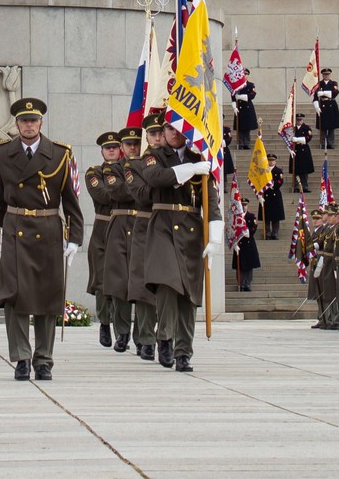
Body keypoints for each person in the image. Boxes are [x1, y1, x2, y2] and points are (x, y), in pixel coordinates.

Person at [0, 97, 83, 381]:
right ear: (16, 124)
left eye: (33, 120)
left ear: (41, 123)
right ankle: (21, 357)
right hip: (16, 226)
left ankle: (43, 359)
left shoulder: (60, 153)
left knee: (46, 296)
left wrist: (75, 239)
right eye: (23, 121)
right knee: (13, 296)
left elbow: (71, 200)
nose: (29, 125)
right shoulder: (3, 153)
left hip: (48, 229)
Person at [135, 114, 221, 371]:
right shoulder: (154, 155)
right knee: (167, 282)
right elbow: (154, 177)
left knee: (189, 294)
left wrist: (215, 233)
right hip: (162, 225)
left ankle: (183, 352)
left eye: (178, 128)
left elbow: (211, 199)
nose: (174, 133)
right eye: (169, 128)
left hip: (191, 229)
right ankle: (165, 336)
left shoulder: (200, 158)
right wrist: (188, 171)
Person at [85, 132, 123, 346]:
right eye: (107, 147)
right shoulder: (94, 172)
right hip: (103, 227)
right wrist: (123, 192)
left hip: (124, 228)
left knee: (121, 280)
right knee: (101, 281)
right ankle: (104, 323)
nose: (111, 150)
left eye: (115, 147)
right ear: (101, 151)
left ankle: (122, 329)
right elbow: (101, 194)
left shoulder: (128, 171)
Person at [313, 71, 339, 151]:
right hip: (322, 105)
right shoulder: (319, 84)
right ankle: (323, 142)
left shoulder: (333, 83)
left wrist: (324, 93)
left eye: (327, 74)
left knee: (331, 126)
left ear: (329, 75)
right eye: (324, 74)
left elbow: (335, 92)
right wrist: (317, 107)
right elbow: (315, 96)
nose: (326, 76)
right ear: (322, 75)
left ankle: (330, 143)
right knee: (323, 126)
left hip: (331, 104)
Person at [286, 118, 314, 193]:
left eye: (300, 120)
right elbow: (288, 137)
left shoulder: (306, 128)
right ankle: (296, 186)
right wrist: (293, 140)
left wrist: (297, 139)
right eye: (297, 120)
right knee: (296, 169)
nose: (299, 121)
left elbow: (308, 138)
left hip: (304, 150)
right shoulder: (292, 128)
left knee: (304, 170)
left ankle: (304, 186)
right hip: (295, 150)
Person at [231, 79, 257, 149]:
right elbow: (233, 97)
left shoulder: (250, 85)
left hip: (247, 108)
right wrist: (234, 107)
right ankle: (241, 144)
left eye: (246, 74)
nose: (245, 75)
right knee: (240, 127)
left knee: (247, 127)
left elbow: (252, 95)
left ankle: (246, 143)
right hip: (239, 108)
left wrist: (240, 97)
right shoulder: (236, 85)